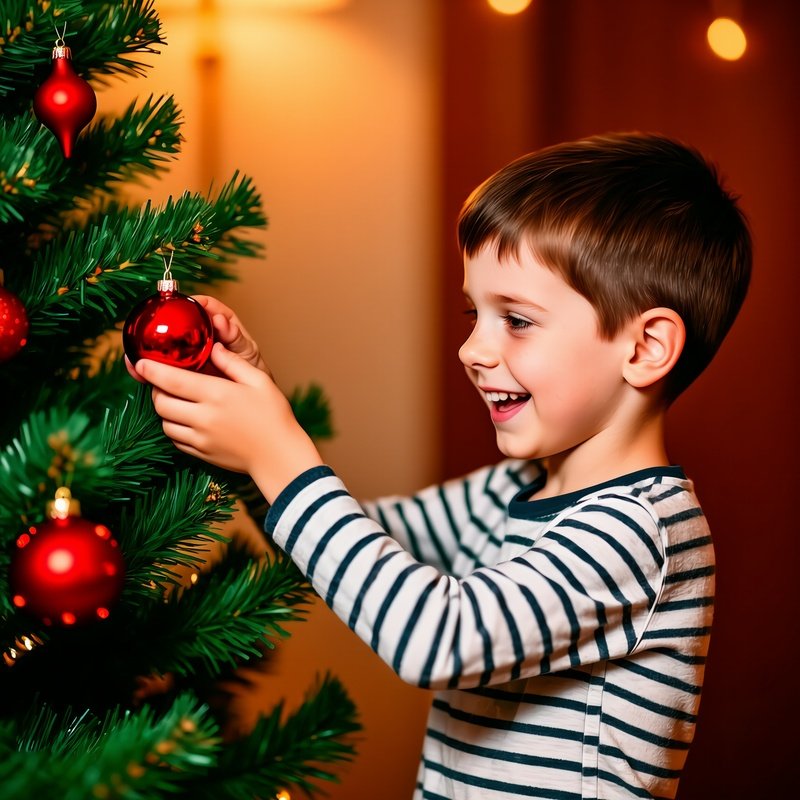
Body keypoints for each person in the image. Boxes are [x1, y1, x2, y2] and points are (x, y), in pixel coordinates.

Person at [134, 132, 752, 799]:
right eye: (473, 313)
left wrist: (276, 451)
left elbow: (434, 638)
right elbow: (347, 546)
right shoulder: (513, 489)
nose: (471, 349)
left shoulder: (642, 533)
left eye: (516, 320)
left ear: (646, 347)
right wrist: (252, 420)